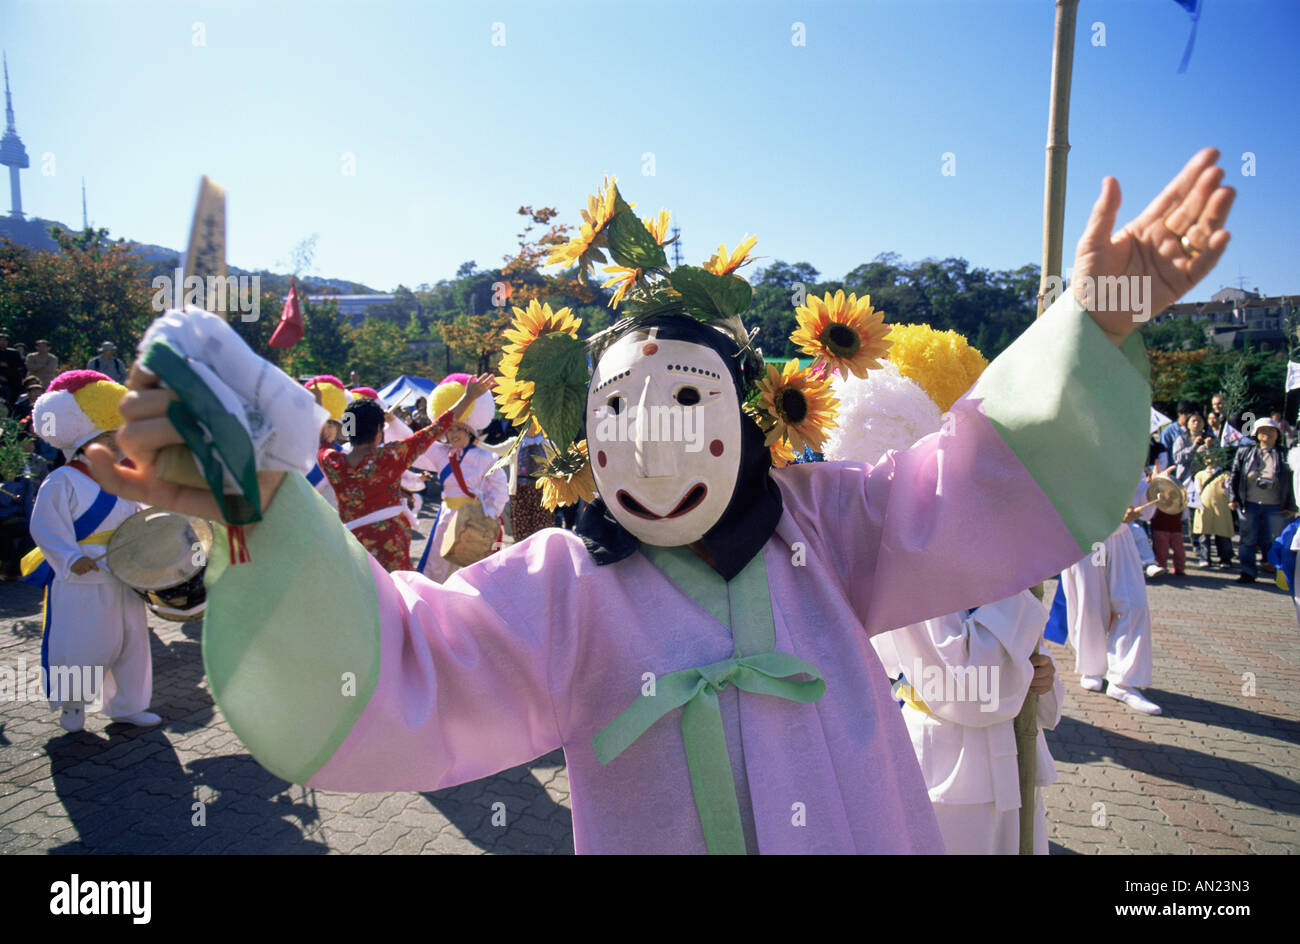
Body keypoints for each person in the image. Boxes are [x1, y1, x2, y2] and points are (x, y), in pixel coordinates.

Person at [87, 150, 1233, 853]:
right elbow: (402, 664)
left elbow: (969, 482)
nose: (658, 437)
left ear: (742, 415)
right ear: (586, 433)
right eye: (623, 410)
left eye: (689, 402)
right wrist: (269, 512)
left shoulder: (824, 528)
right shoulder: (561, 587)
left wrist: (1097, 320)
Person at [873, 591, 1063, 854]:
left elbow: (1026, 652)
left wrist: (1042, 672)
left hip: (1017, 750)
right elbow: (968, 687)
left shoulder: (1002, 564)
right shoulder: (919, 563)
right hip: (951, 760)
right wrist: (1019, 596)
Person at [23, 370, 158, 731]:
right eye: (108, 437)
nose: (116, 443)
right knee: (83, 645)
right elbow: (45, 527)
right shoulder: (62, 480)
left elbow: (137, 515)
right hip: (83, 573)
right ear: (86, 442)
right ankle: (73, 707)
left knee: (131, 643)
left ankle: (128, 705)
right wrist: (69, 558)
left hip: (125, 573)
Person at [322, 394, 490, 572]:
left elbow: (319, 440)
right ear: (379, 431)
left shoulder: (332, 461)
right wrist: (468, 395)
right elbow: (436, 429)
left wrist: (319, 404)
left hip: (350, 543)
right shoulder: (391, 455)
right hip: (389, 544)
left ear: (348, 429)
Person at [1060, 476, 1162, 714]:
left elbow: (1138, 489)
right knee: (1089, 605)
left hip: (1120, 535)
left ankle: (1123, 680)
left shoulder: (1125, 445)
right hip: (1083, 534)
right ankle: (1091, 667)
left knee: (1134, 603)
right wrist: (1110, 511)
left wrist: (1152, 494)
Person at [415, 374, 508, 584]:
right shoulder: (440, 453)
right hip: (446, 518)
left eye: (460, 429)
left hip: (473, 519)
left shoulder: (485, 457)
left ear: (471, 432)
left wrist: (490, 515)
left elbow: (500, 489)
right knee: (435, 569)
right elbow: (415, 444)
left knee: (468, 573)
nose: (454, 433)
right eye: (450, 429)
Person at [1229, 417, 1296, 584]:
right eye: (1262, 430)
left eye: (1271, 430)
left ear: (1277, 434)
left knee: (1278, 540)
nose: (1266, 433)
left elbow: (1295, 480)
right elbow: (1235, 475)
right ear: (1256, 434)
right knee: (1247, 540)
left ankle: (1280, 574)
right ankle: (1247, 572)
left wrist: (1292, 505)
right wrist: (1233, 498)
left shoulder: (1285, 454)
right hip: (1249, 503)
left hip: (1276, 506)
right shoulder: (1245, 452)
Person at [1193, 460, 1234, 569]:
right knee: (1204, 535)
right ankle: (1204, 558)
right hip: (1204, 508)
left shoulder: (1225, 475)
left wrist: (1223, 488)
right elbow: (1197, 491)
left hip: (1221, 508)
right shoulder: (1200, 475)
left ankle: (1225, 559)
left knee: (1223, 534)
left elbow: (1229, 491)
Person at [0, 331, 25, 404]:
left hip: (13, 381)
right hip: (1, 380)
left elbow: (20, 366)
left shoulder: (13, 353)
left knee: (13, 400)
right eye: (1, 340)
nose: (3, 342)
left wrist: (8, 365)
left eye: (5, 340)